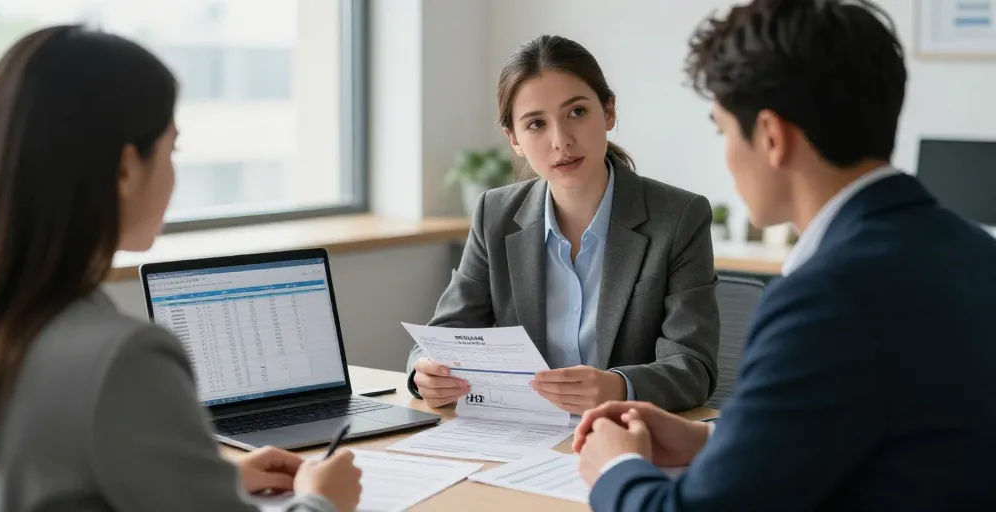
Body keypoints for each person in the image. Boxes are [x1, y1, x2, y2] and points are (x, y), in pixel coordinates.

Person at [573, 0, 996, 510]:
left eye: (723, 130)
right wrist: (717, 442)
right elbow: (890, 431)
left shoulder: (827, 299)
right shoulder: (974, 252)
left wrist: (616, 468)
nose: (725, 153)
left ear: (771, 137)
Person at [0, 25, 361, 512]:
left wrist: (200, 476)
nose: (174, 171)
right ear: (125, 168)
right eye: (171, 148)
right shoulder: (123, 358)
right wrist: (323, 501)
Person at [407, 34, 721, 415]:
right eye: (536, 124)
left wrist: (619, 387)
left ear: (608, 112)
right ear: (515, 140)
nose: (561, 141)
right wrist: (424, 375)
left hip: (624, 436)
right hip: (522, 437)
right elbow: (440, 339)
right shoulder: (495, 214)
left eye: (577, 112)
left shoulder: (679, 217)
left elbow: (693, 367)